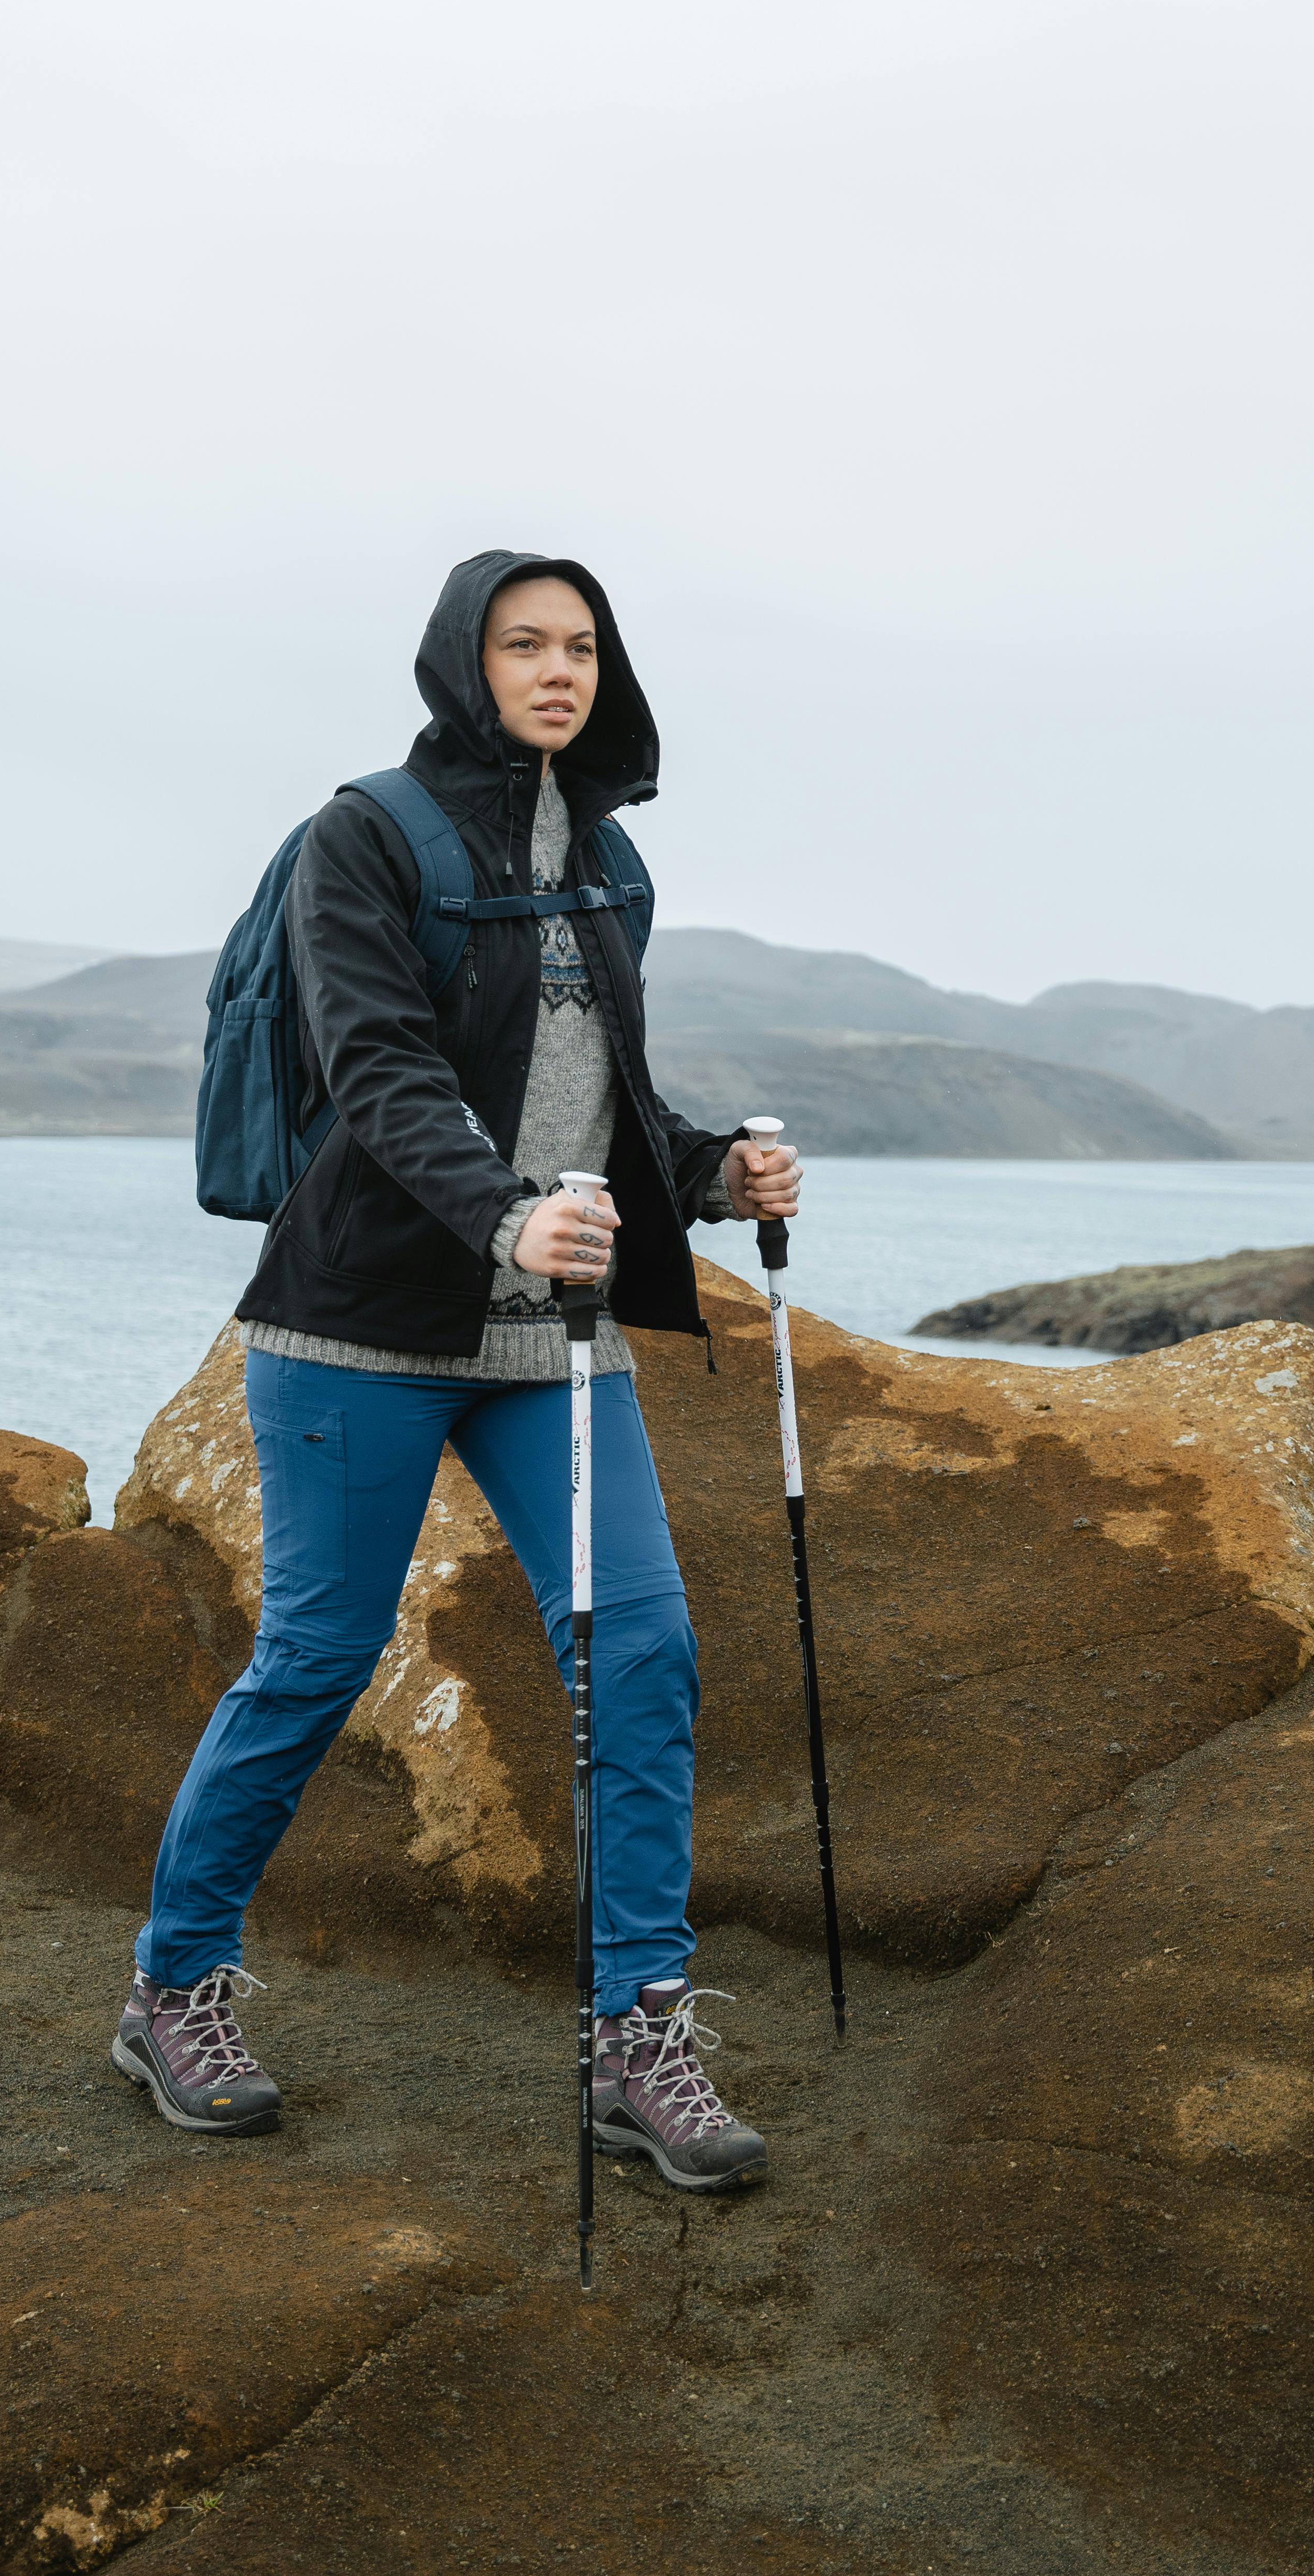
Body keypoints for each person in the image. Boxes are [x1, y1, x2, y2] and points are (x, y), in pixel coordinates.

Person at [114, 548, 799, 2194]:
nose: (556, 671)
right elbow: (383, 1067)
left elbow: (598, 1097)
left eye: (579, 647)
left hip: (547, 1340)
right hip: (359, 1322)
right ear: (461, 661)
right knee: (315, 1663)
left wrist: (708, 1174)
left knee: (642, 1651)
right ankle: (172, 1989)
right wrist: (503, 1215)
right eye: (522, 645)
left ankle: (638, 2035)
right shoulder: (366, 837)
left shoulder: (612, 863)